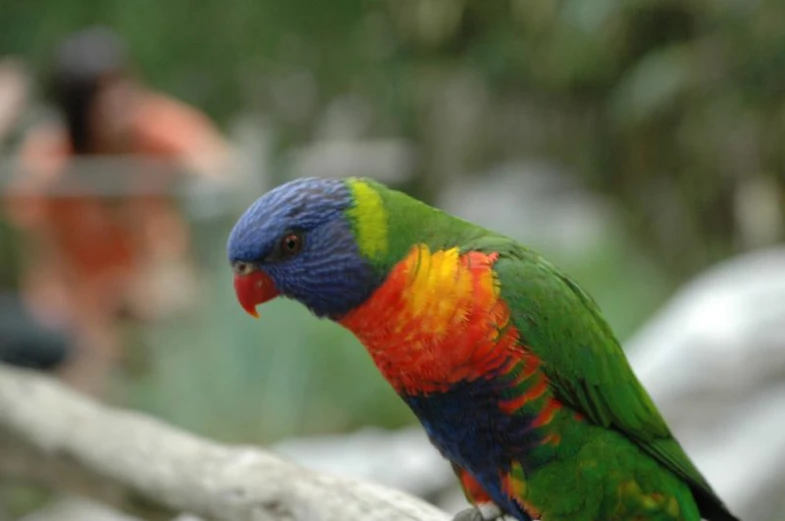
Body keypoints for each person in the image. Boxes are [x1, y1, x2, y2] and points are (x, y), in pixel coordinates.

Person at [3, 27, 236, 394]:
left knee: (170, 300)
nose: (119, 103)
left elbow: (220, 163)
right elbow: (44, 262)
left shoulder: (154, 126)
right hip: (79, 307)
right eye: (101, 95)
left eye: (121, 85)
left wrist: (189, 173)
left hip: (152, 286)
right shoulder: (53, 161)